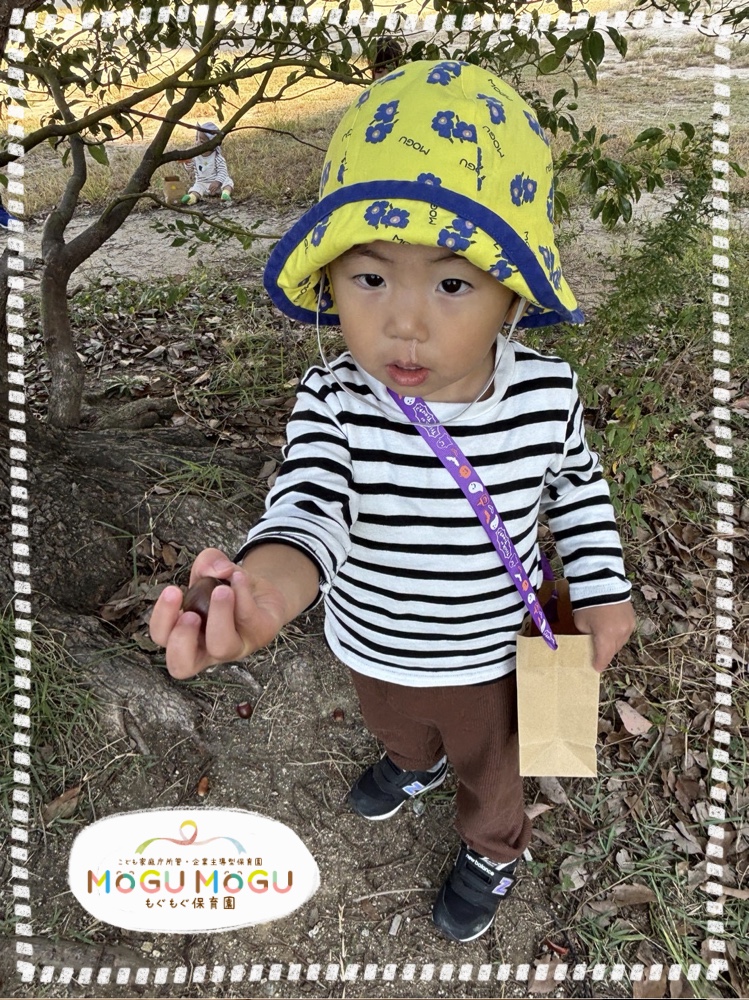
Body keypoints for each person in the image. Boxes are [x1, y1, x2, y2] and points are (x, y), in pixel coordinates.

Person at [151, 61, 636, 944]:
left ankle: (491, 848)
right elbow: (309, 503)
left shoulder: (544, 396)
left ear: (511, 294)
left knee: (491, 766)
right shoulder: (335, 401)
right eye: (370, 279)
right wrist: (266, 589)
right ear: (330, 283)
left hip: (488, 655)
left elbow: (575, 484)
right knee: (398, 726)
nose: (404, 323)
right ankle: (413, 764)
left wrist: (600, 586)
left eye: (452, 284)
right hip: (372, 640)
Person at [180, 121, 234, 206]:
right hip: (202, 183)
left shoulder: (217, 157)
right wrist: (188, 163)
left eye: (201, 141)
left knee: (228, 182)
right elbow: (190, 169)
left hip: (217, 184)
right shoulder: (195, 156)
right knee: (196, 188)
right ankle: (192, 197)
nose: (197, 142)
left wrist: (217, 182)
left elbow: (223, 172)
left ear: (212, 144)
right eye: (197, 139)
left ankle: (225, 193)